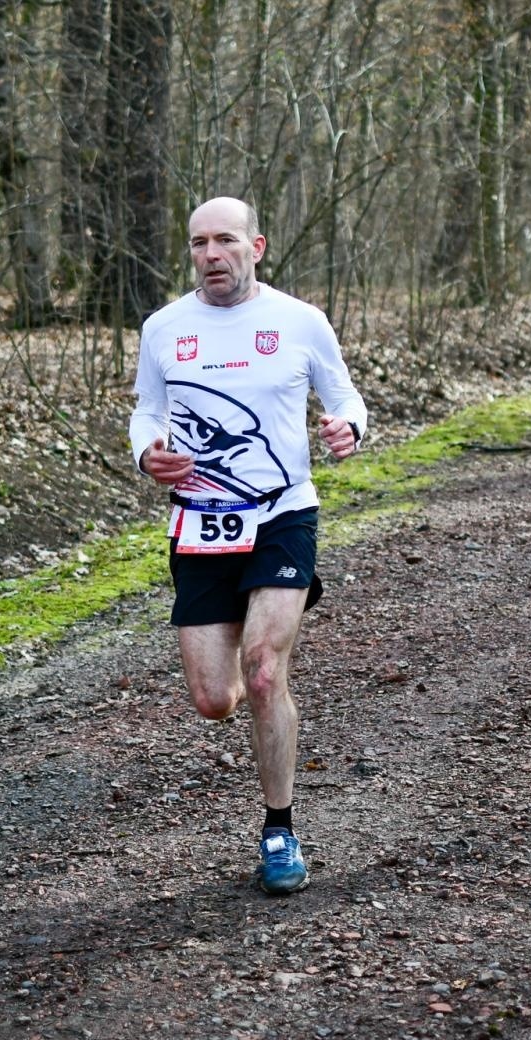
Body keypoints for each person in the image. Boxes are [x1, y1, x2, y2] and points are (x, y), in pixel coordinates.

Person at [128, 196, 368, 894]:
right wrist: (149, 453)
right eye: (199, 243)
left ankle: (279, 826)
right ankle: (247, 685)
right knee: (215, 699)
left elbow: (346, 398)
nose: (211, 255)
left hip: (281, 514)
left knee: (264, 670)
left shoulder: (300, 322)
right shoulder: (165, 328)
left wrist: (348, 429)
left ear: (256, 246)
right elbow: (146, 408)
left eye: (225, 241)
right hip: (201, 523)